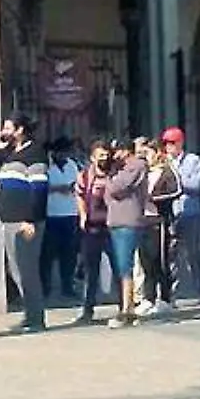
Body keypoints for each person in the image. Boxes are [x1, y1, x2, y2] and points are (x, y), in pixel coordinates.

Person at [0, 115, 49, 333]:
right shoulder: (9, 154)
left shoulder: (35, 153)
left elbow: (39, 189)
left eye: (8, 127)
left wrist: (30, 219)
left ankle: (36, 318)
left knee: (27, 269)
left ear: (20, 129)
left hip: (25, 222)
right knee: (16, 269)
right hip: (9, 220)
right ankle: (29, 314)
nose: (4, 130)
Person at [101, 137, 147, 328]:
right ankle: (127, 307)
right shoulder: (118, 169)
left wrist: (110, 177)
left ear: (126, 151)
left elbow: (116, 188)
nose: (114, 155)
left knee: (125, 265)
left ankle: (128, 309)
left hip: (128, 221)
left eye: (116, 151)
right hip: (116, 220)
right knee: (121, 266)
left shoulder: (135, 166)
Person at [163, 127, 200, 304]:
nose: (169, 147)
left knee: (194, 255)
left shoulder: (193, 161)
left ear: (180, 142)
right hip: (171, 213)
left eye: (172, 143)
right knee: (170, 256)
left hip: (190, 212)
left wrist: (175, 180)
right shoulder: (163, 162)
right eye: (166, 143)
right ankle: (169, 296)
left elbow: (194, 185)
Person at [74, 138, 118, 324]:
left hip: (113, 226)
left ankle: (125, 306)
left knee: (119, 267)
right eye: (100, 156)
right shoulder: (85, 175)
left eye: (106, 155)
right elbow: (80, 195)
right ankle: (87, 309)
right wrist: (82, 215)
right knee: (91, 271)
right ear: (92, 158)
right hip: (92, 227)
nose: (104, 159)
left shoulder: (115, 174)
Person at [137, 137, 180, 318]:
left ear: (158, 153)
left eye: (148, 153)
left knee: (160, 260)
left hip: (159, 221)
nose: (145, 157)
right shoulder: (143, 172)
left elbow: (177, 191)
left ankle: (166, 298)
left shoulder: (168, 172)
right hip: (143, 221)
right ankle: (148, 298)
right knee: (145, 260)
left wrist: (155, 200)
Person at [40, 138, 82, 302]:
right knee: (48, 254)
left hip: (70, 213)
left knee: (69, 254)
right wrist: (57, 188)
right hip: (51, 215)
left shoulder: (72, 165)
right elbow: (41, 187)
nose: (65, 155)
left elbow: (79, 182)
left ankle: (67, 285)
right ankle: (46, 287)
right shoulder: (46, 166)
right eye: (62, 152)